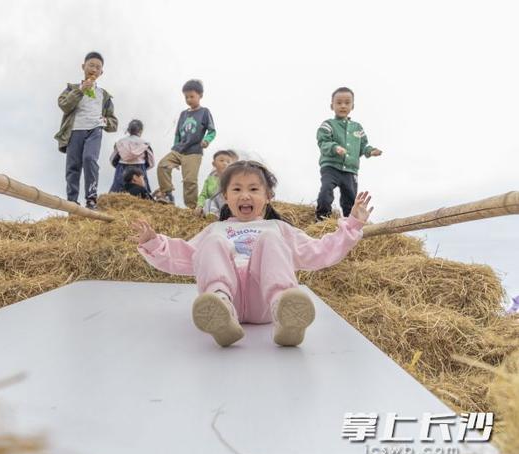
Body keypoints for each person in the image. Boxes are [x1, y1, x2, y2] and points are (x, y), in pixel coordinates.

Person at [130, 160, 373, 347]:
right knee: (212, 241)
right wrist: (154, 243)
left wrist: (352, 226)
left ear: (267, 197)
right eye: (236, 189)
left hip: (266, 302)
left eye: (253, 189)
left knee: (270, 239)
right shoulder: (217, 228)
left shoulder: (277, 228)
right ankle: (221, 314)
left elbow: (318, 251)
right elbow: (186, 255)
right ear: (226, 197)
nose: (245, 195)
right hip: (227, 298)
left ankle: (286, 312)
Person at [54, 51, 118, 210]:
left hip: (94, 131)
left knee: (90, 159)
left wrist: (103, 121)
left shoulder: (104, 95)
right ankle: (72, 201)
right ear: (83, 66)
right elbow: (64, 105)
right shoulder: (72, 88)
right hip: (75, 130)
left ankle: (91, 199)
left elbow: (114, 123)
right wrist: (81, 89)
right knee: (73, 166)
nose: (94, 69)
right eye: (91, 65)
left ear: (101, 72)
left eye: (98, 67)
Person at [315, 87, 382, 221]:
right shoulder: (328, 125)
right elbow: (323, 142)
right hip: (331, 167)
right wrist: (335, 147)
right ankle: (322, 220)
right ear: (332, 106)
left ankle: (349, 223)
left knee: (350, 199)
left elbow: (363, 145)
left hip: (350, 171)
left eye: (347, 102)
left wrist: (370, 151)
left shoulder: (358, 128)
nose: (343, 106)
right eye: (339, 102)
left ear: (352, 106)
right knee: (325, 191)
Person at [154, 79, 216, 209]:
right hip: (178, 150)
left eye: (192, 96)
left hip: (194, 151)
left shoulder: (204, 112)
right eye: (186, 97)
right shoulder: (183, 114)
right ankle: (167, 193)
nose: (188, 99)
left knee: (189, 181)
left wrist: (206, 140)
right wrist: (175, 148)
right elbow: (177, 133)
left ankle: (192, 208)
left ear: (200, 96)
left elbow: (212, 131)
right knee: (163, 165)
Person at [109, 119, 154, 193]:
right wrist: (144, 168)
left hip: (121, 168)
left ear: (129, 130)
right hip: (140, 169)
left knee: (117, 192)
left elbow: (113, 159)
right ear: (141, 131)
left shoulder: (120, 142)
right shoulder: (145, 144)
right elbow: (151, 162)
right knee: (142, 193)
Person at [194, 149, 238, 217]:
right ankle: (213, 216)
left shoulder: (234, 179)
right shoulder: (210, 179)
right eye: (221, 160)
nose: (225, 163)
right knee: (208, 201)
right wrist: (199, 206)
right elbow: (203, 195)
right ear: (214, 164)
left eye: (228, 162)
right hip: (214, 207)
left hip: (228, 206)